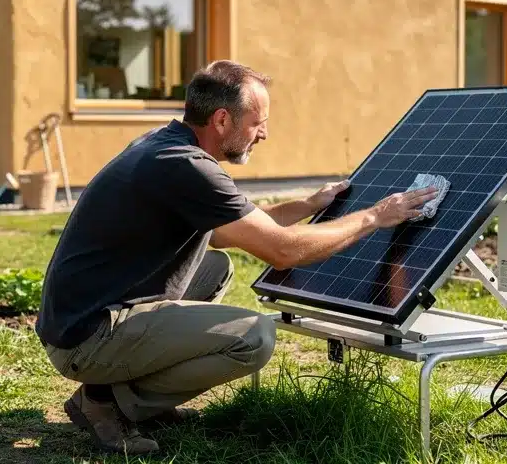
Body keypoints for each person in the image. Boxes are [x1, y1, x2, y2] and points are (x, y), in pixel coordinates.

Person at [34, 60, 437, 454]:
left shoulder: (164, 146)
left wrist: (309, 203)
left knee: (214, 268)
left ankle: (121, 390)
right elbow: (284, 251)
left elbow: (228, 234)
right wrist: (373, 216)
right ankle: (108, 402)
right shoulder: (188, 168)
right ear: (223, 120)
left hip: (80, 316)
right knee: (253, 337)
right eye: (257, 122)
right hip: (86, 338)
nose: (264, 134)